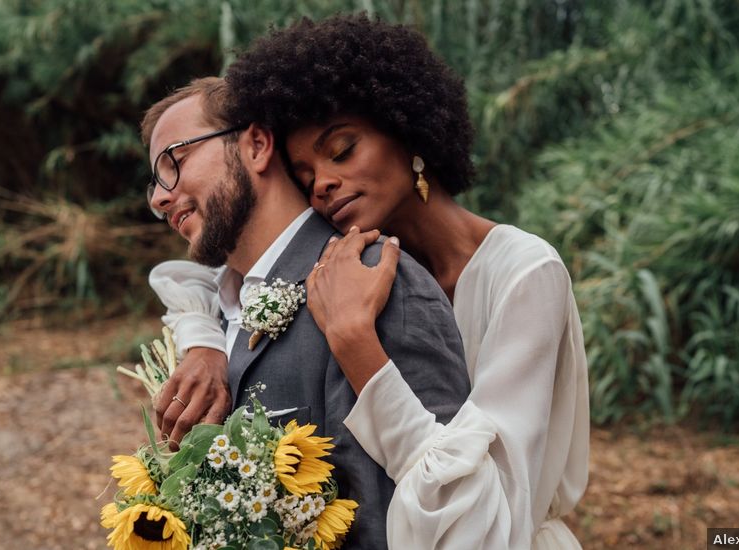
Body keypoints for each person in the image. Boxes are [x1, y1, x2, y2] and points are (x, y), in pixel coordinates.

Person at [151, 15, 589, 549]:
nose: (324, 184)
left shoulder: (523, 273)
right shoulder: (359, 261)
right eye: (306, 175)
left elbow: (493, 513)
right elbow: (204, 279)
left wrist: (355, 340)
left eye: (341, 151)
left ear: (408, 130)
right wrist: (204, 345)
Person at [143, 76, 471, 549]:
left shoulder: (373, 279)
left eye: (174, 161)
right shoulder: (215, 310)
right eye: (153, 181)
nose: (159, 196)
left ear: (255, 144)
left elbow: (441, 506)